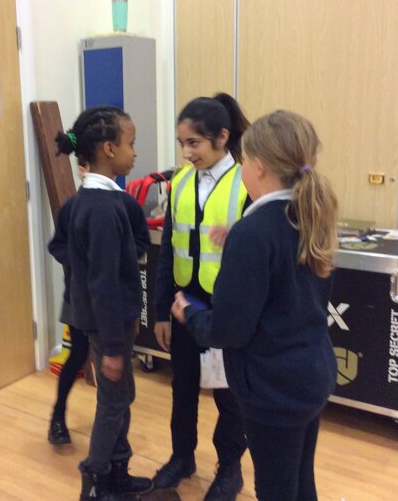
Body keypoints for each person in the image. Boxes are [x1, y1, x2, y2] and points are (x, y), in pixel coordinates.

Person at [171, 110, 339, 500]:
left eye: (243, 159)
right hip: (310, 374)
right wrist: (240, 239)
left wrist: (190, 313)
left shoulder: (254, 233)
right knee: (300, 482)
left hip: (273, 387)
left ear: (258, 167)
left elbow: (228, 330)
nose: (241, 166)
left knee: (277, 489)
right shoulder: (308, 216)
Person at [153, 93, 250, 500]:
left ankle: (229, 469)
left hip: (225, 310)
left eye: (193, 143)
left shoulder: (246, 183)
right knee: (184, 388)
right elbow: (166, 251)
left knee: (230, 397)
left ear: (222, 137)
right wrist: (161, 311)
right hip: (182, 306)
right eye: (182, 143)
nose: (186, 152)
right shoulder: (179, 182)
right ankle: (182, 457)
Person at [55, 106, 153, 500]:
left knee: (121, 397)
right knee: (113, 402)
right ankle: (95, 479)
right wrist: (112, 346)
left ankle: (118, 471)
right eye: (131, 143)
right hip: (105, 326)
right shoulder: (100, 209)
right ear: (109, 149)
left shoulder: (101, 201)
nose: (135, 152)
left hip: (108, 323)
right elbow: (104, 283)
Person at [47, 160, 150, 446]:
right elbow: (57, 245)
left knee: (117, 371)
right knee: (78, 354)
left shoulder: (126, 205)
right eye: (82, 165)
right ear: (81, 169)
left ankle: (114, 437)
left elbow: (141, 240)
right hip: (80, 298)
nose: (86, 169)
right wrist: (83, 261)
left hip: (113, 299)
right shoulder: (73, 206)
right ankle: (58, 415)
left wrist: (118, 257)